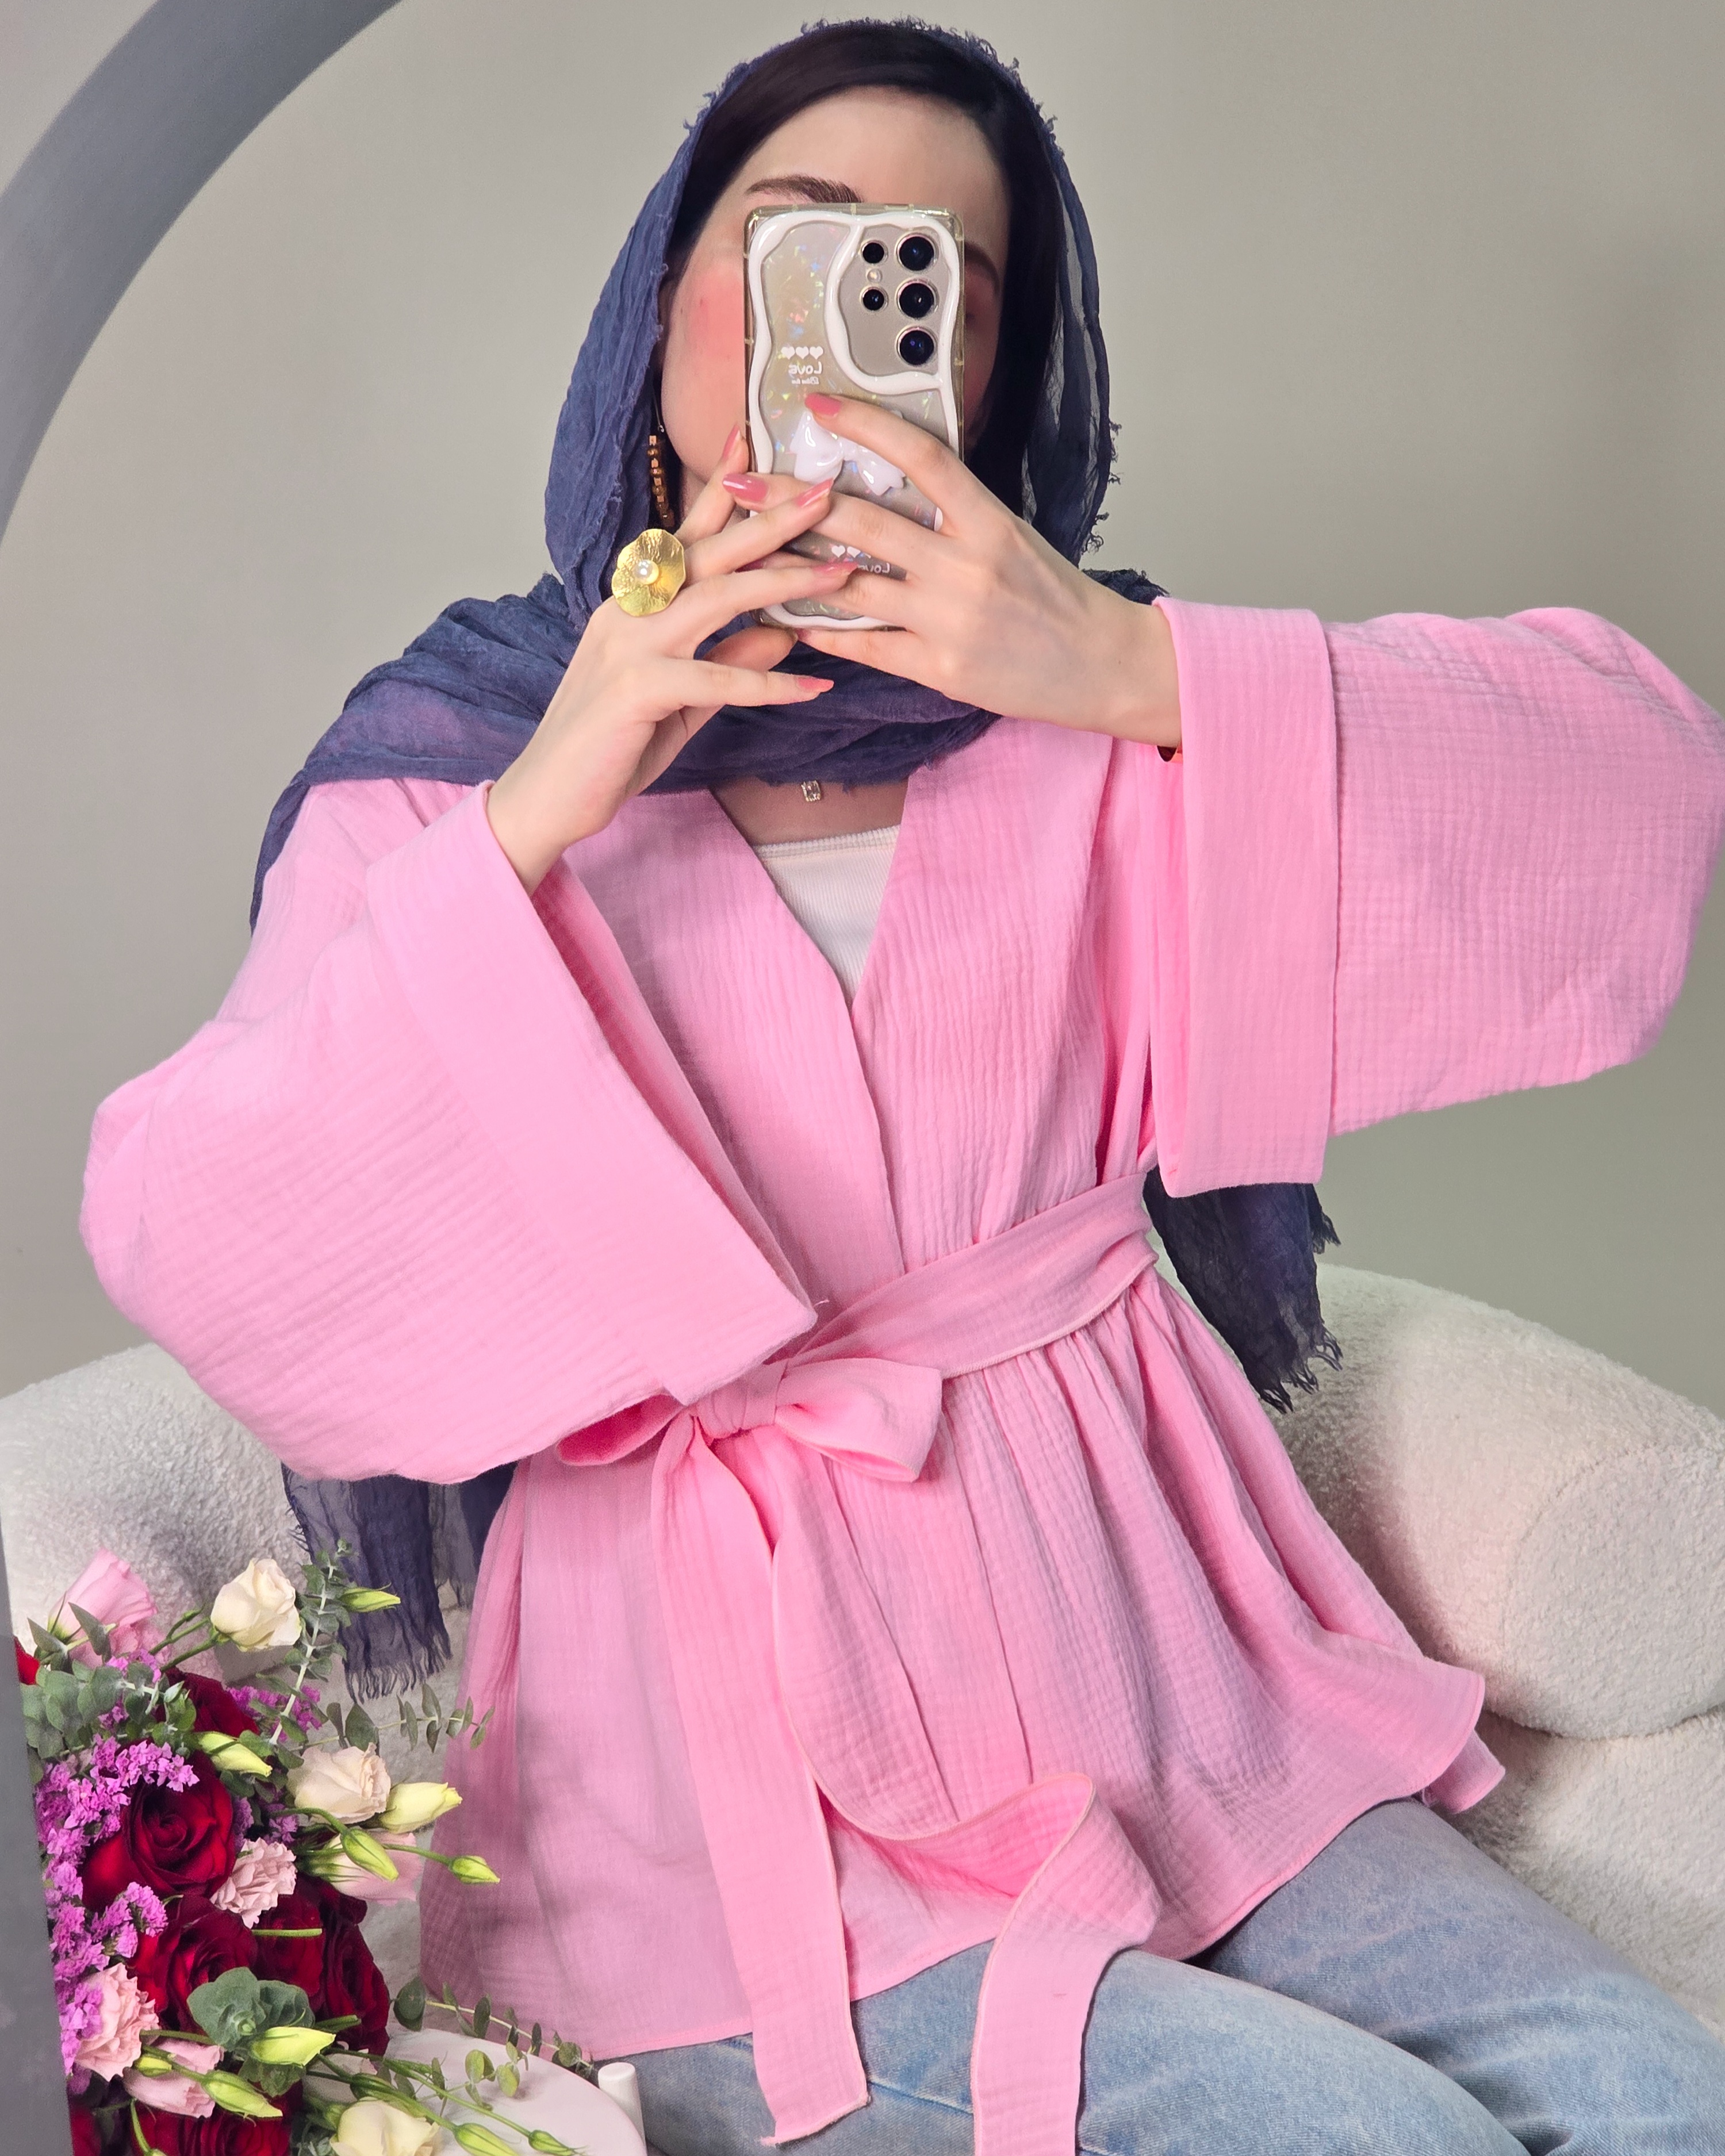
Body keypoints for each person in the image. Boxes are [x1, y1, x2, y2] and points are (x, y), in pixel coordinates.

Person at [79, 21, 1725, 2156]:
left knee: (1655, 2091)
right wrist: (544, 807)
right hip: (728, 1787)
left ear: (994, 366)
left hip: (1161, 1679)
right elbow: (213, 1233)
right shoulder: (461, 758)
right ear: (666, 305)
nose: (871, 305)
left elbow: (1631, 806)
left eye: (938, 274)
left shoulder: (1089, 725)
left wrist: (1123, 664)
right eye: (803, 242)